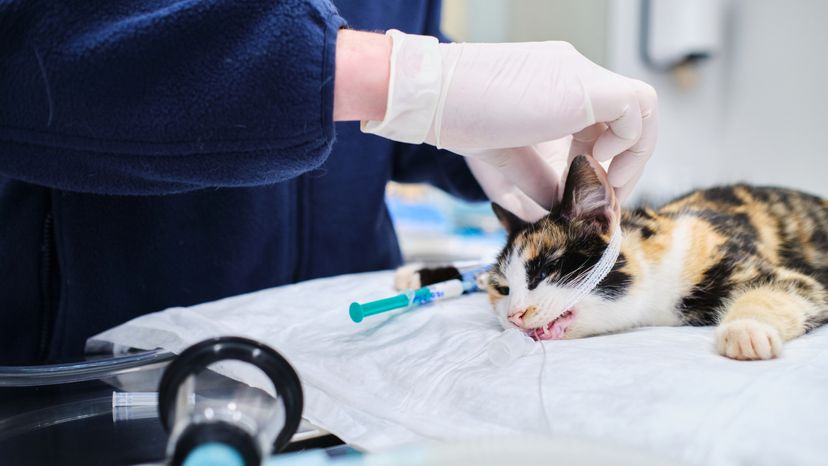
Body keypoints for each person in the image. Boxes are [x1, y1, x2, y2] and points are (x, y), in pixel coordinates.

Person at [0, 0, 656, 364]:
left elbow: (392, 59)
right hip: (107, 373)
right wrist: (404, 81)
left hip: (351, 362)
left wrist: (484, 132)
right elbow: (29, 52)